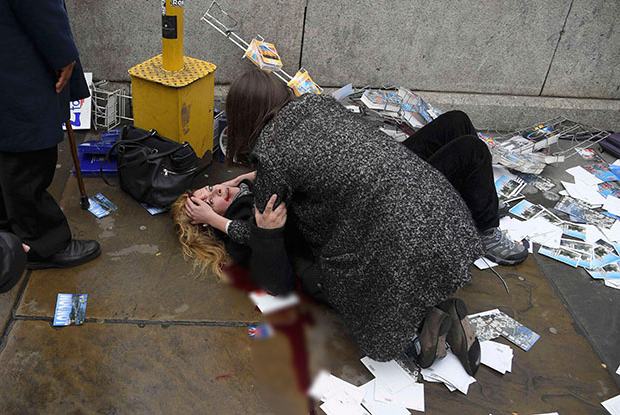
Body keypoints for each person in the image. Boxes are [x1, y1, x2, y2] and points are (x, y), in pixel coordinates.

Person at [183, 68, 524, 374]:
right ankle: (432, 315)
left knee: (361, 302)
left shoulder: (271, 161)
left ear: (242, 117)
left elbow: (264, 232)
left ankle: (422, 328)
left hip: (393, 220)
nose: (215, 190)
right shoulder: (316, 104)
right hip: (441, 205)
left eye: (209, 190)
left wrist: (214, 216)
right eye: (209, 195)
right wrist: (235, 192)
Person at [0, 0, 100, 269]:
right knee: (24, 155)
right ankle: (41, 245)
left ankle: (7, 234)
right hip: (14, 56)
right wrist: (63, 53)